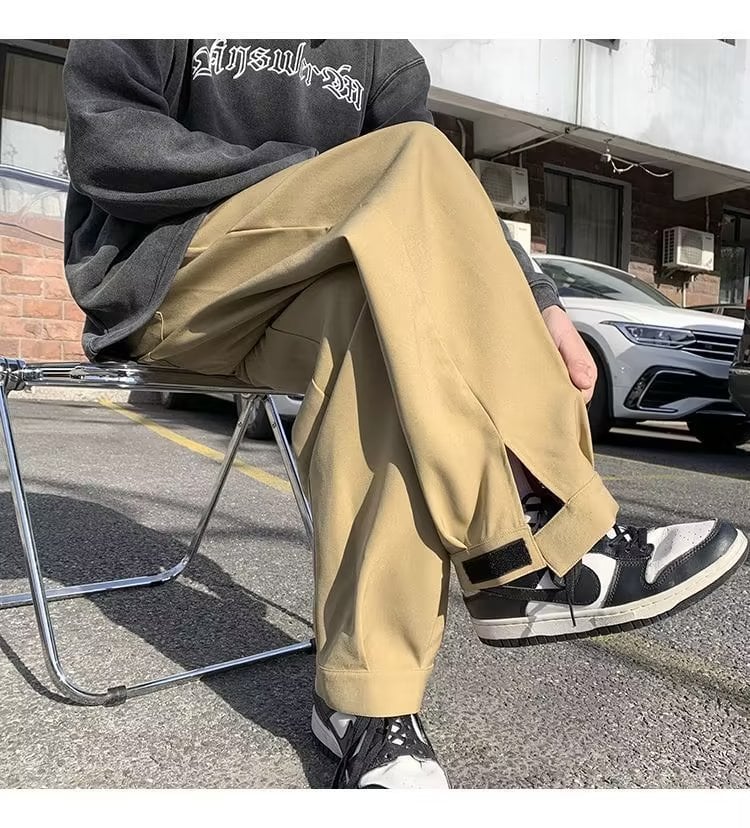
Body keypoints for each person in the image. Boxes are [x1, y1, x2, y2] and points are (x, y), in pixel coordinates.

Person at [62, 39, 748, 789]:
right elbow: (107, 140)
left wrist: (541, 299)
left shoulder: (382, 51)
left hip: (304, 293)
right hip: (170, 280)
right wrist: (338, 176)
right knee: (410, 158)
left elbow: (442, 198)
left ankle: (366, 702)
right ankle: (540, 540)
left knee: (377, 324)